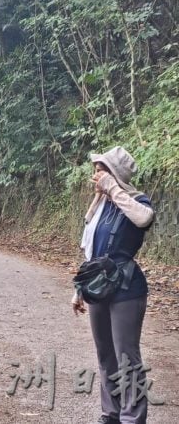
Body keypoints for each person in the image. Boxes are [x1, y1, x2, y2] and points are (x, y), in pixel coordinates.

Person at [72, 146, 154, 424]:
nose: (96, 175)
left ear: (116, 174)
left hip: (127, 290)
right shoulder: (100, 205)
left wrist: (114, 189)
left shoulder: (136, 200)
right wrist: (79, 290)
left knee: (127, 358)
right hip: (98, 287)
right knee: (106, 355)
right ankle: (111, 415)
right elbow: (90, 251)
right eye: (96, 170)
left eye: (102, 170)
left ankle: (132, 419)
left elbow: (144, 218)